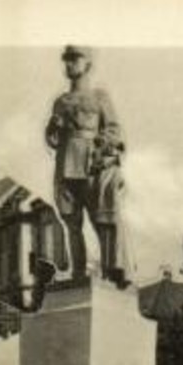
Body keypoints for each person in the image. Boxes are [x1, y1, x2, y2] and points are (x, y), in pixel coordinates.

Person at [44, 45, 129, 286]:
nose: (70, 64)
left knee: (101, 220)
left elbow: (113, 129)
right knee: (71, 222)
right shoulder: (59, 102)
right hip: (65, 164)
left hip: (92, 164)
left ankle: (109, 271)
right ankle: (78, 272)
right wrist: (53, 128)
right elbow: (52, 140)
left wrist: (104, 145)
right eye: (67, 60)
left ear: (87, 64)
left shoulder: (99, 97)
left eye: (75, 59)